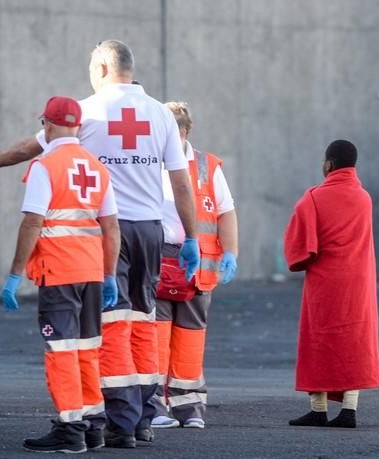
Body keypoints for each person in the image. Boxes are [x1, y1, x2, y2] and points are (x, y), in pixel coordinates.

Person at [0, 40, 200, 448]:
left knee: (114, 326)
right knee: (144, 323)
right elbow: (180, 183)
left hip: (110, 233)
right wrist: (191, 237)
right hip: (151, 231)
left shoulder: (86, 110)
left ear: (104, 67)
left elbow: (27, 149)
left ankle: (119, 423)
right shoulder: (159, 113)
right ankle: (142, 417)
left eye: (91, 65)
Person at [0, 96, 121, 453]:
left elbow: (32, 222)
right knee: (87, 349)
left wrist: (14, 274)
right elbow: (111, 227)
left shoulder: (45, 165)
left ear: (48, 125)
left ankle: (70, 429)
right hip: (92, 272)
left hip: (59, 272)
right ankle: (93, 425)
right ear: (78, 127)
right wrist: (110, 274)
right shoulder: (97, 168)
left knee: (61, 350)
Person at [151, 102, 238, 430]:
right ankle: (155, 404)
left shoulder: (205, 166)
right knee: (156, 334)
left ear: (185, 132)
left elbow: (225, 210)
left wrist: (231, 251)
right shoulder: (149, 161)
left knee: (190, 334)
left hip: (198, 266)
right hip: (158, 257)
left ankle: (189, 407)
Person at [283, 139, 379, 428]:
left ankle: (318, 408)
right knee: (354, 341)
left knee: (319, 341)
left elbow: (301, 247)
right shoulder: (365, 198)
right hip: (359, 283)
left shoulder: (314, 197)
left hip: (325, 282)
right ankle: (349, 410)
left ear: (330, 164)